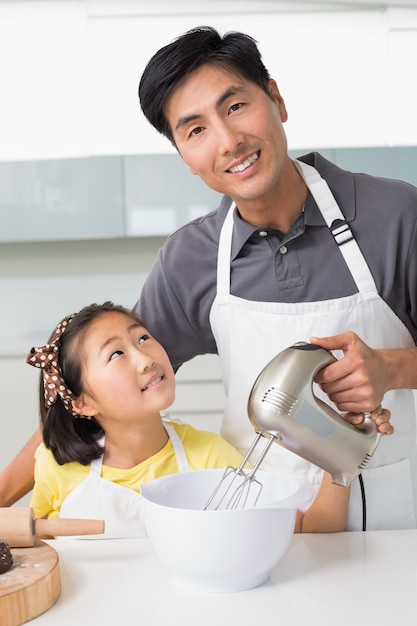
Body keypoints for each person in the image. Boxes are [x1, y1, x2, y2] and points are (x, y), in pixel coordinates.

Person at [1, 26, 415, 530]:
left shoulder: (394, 215)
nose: (228, 141)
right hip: (253, 529)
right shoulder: (189, 261)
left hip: (396, 522)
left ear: (276, 98)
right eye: (195, 130)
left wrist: (392, 369)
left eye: (236, 106)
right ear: (184, 156)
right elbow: (90, 389)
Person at [26, 301, 390, 535]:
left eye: (142, 339)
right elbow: (34, 547)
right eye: (116, 354)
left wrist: (340, 458)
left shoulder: (210, 457)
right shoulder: (55, 465)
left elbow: (308, 531)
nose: (145, 358)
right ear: (84, 402)